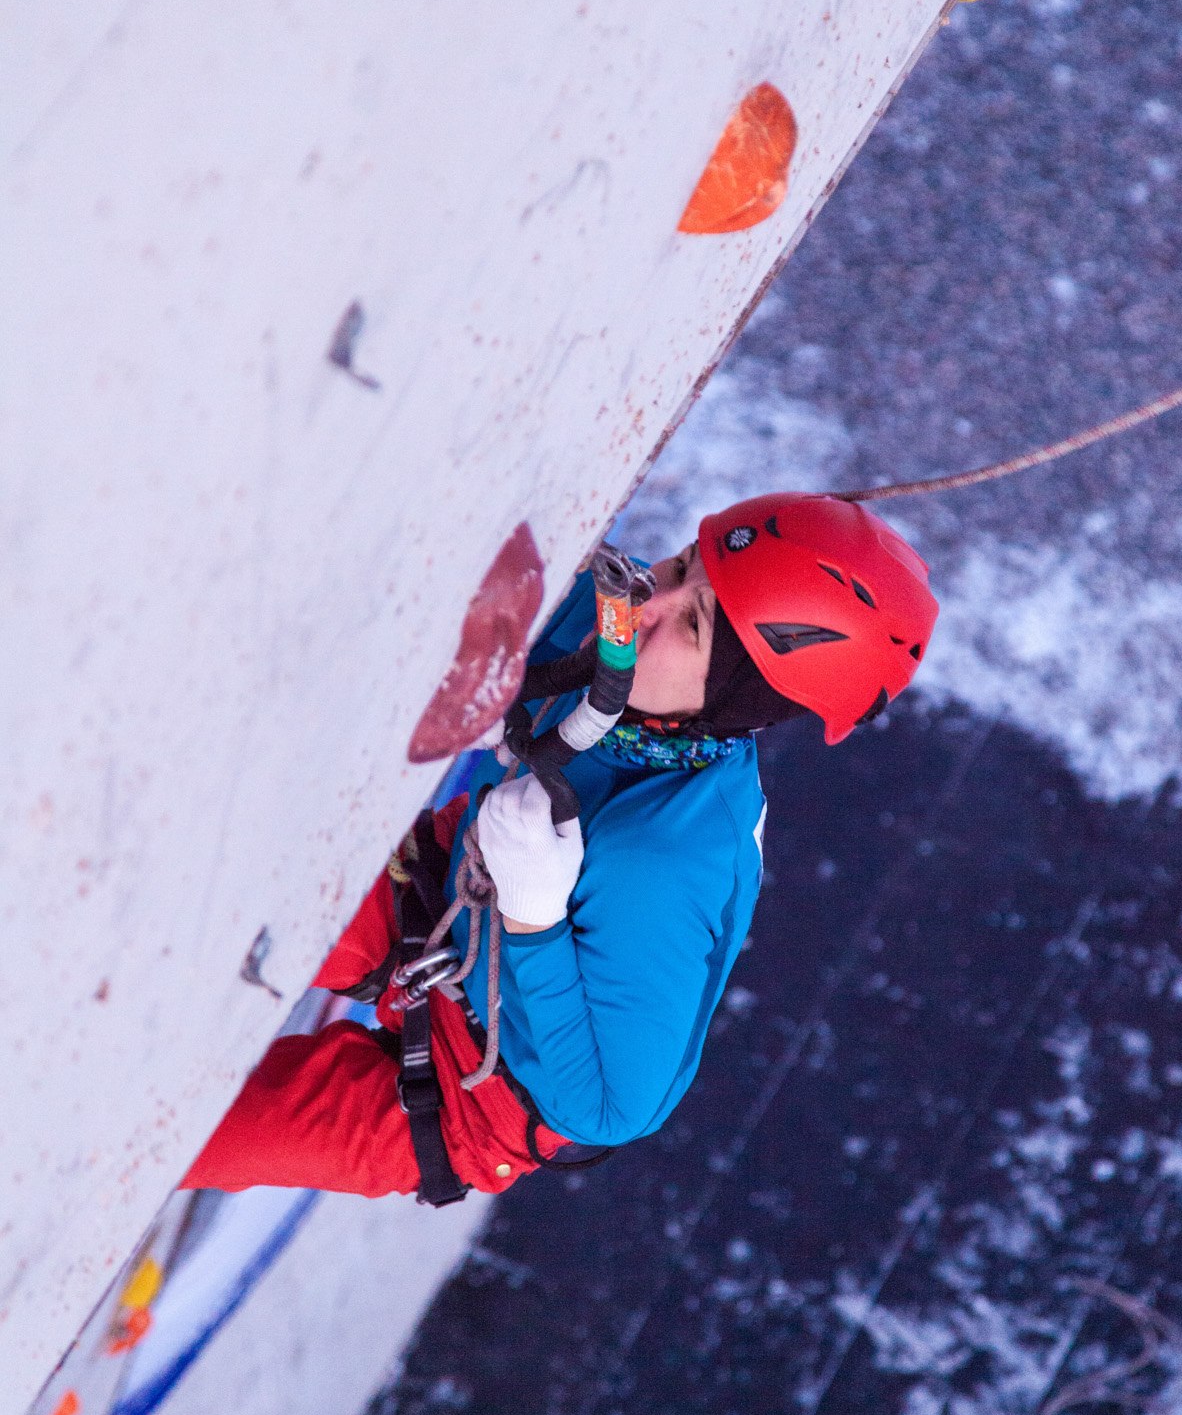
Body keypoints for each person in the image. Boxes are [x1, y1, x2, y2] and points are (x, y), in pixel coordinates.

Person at [182, 492, 938, 1203]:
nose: (648, 604)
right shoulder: (625, 662)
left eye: (694, 624)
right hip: (441, 901)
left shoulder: (660, 864)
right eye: (677, 567)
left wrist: (536, 917)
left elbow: (611, 1107)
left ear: (731, 703)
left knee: (176, 1137)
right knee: (192, 889)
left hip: (472, 1097)